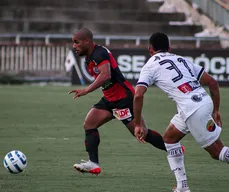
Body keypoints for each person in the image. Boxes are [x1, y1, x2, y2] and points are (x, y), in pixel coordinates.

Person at [133, 32, 229, 192]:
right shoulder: (180, 59)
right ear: (169, 48)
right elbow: (212, 82)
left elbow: (138, 95)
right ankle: (182, 187)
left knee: (217, 152)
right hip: (200, 103)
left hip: (193, 109)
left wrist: (137, 124)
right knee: (169, 139)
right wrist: (216, 110)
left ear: (150, 49)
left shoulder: (150, 65)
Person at [68, 28, 167, 175]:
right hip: (109, 99)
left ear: (87, 41)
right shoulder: (89, 56)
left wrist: (86, 90)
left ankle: (173, 147)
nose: (74, 46)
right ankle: (93, 163)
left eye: (76, 42)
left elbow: (106, 75)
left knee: (141, 133)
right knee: (89, 124)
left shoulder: (99, 53)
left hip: (123, 99)